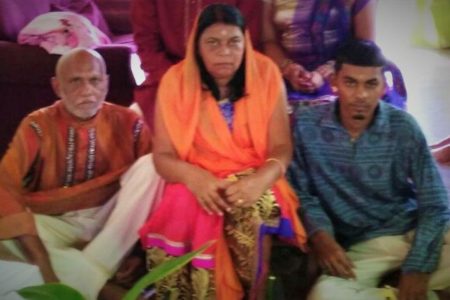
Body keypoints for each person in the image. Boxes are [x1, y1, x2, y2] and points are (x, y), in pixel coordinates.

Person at [138, 4, 307, 299]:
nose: (224, 52)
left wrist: (260, 180)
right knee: (186, 203)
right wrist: (195, 178)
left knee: (255, 209)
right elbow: (162, 157)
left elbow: (281, 149)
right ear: (197, 46)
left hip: (256, 174)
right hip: (197, 177)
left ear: (246, 42)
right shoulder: (175, 82)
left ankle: (255, 293)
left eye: (233, 42)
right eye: (212, 43)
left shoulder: (266, 73)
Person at [288, 39, 450, 300]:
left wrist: (418, 266)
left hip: (414, 231)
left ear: (383, 87)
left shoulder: (404, 127)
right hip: (365, 245)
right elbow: (302, 194)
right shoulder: (307, 127)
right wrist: (321, 237)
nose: (361, 95)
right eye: (351, 82)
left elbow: (436, 203)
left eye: (370, 84)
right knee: (323, 296)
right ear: (335, 83)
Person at [0, 48, 163, 300]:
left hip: (111, 219)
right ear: (57, 86)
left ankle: (72, 281)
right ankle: (107, 286)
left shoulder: (130, 123)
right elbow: (5, 188)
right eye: (75, 81)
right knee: (7, 233)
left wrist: (137, 253)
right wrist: (41, 259)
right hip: (55, 221)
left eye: (94, 80)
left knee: (153, 166)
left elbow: (150, 197)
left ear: (106, 83)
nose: (87, 90)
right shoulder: (36, 125)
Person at [131, 0, 263, 129]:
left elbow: (248, 41)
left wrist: (217, 81)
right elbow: (146, 44)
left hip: (228, 76)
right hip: (169, 77)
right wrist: (179, 81)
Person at [261, 0, 407, 113]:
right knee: (272, 114)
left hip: (348, 68)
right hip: (289, 76)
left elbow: (365, 46)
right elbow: (268, 40)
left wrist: (330, 69)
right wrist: (289, 68)